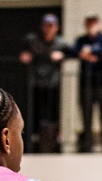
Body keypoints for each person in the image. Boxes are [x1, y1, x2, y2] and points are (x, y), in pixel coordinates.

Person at [20, 14, 73, 153]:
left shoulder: (60, 42)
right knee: (35, 113)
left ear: (56, 27)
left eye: (51, 26)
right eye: (46, 26)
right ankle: (34, 143)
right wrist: (24, 54)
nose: (48, 29)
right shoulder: (33, 40)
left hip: (53, 85)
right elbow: (22, 48)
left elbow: (73, 52)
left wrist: (63, 55)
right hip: (37, 83)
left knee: (52, 115)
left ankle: (51, 144)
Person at [74, 15, 102, 153]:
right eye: (88, 25)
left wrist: (89, 52)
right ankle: (87, 146)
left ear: (98, 25)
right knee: (86, 116)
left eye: (93, 24)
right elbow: (74, 51)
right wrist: (87, 55)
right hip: (86, 84)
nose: (91, 28)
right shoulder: (81, 40)